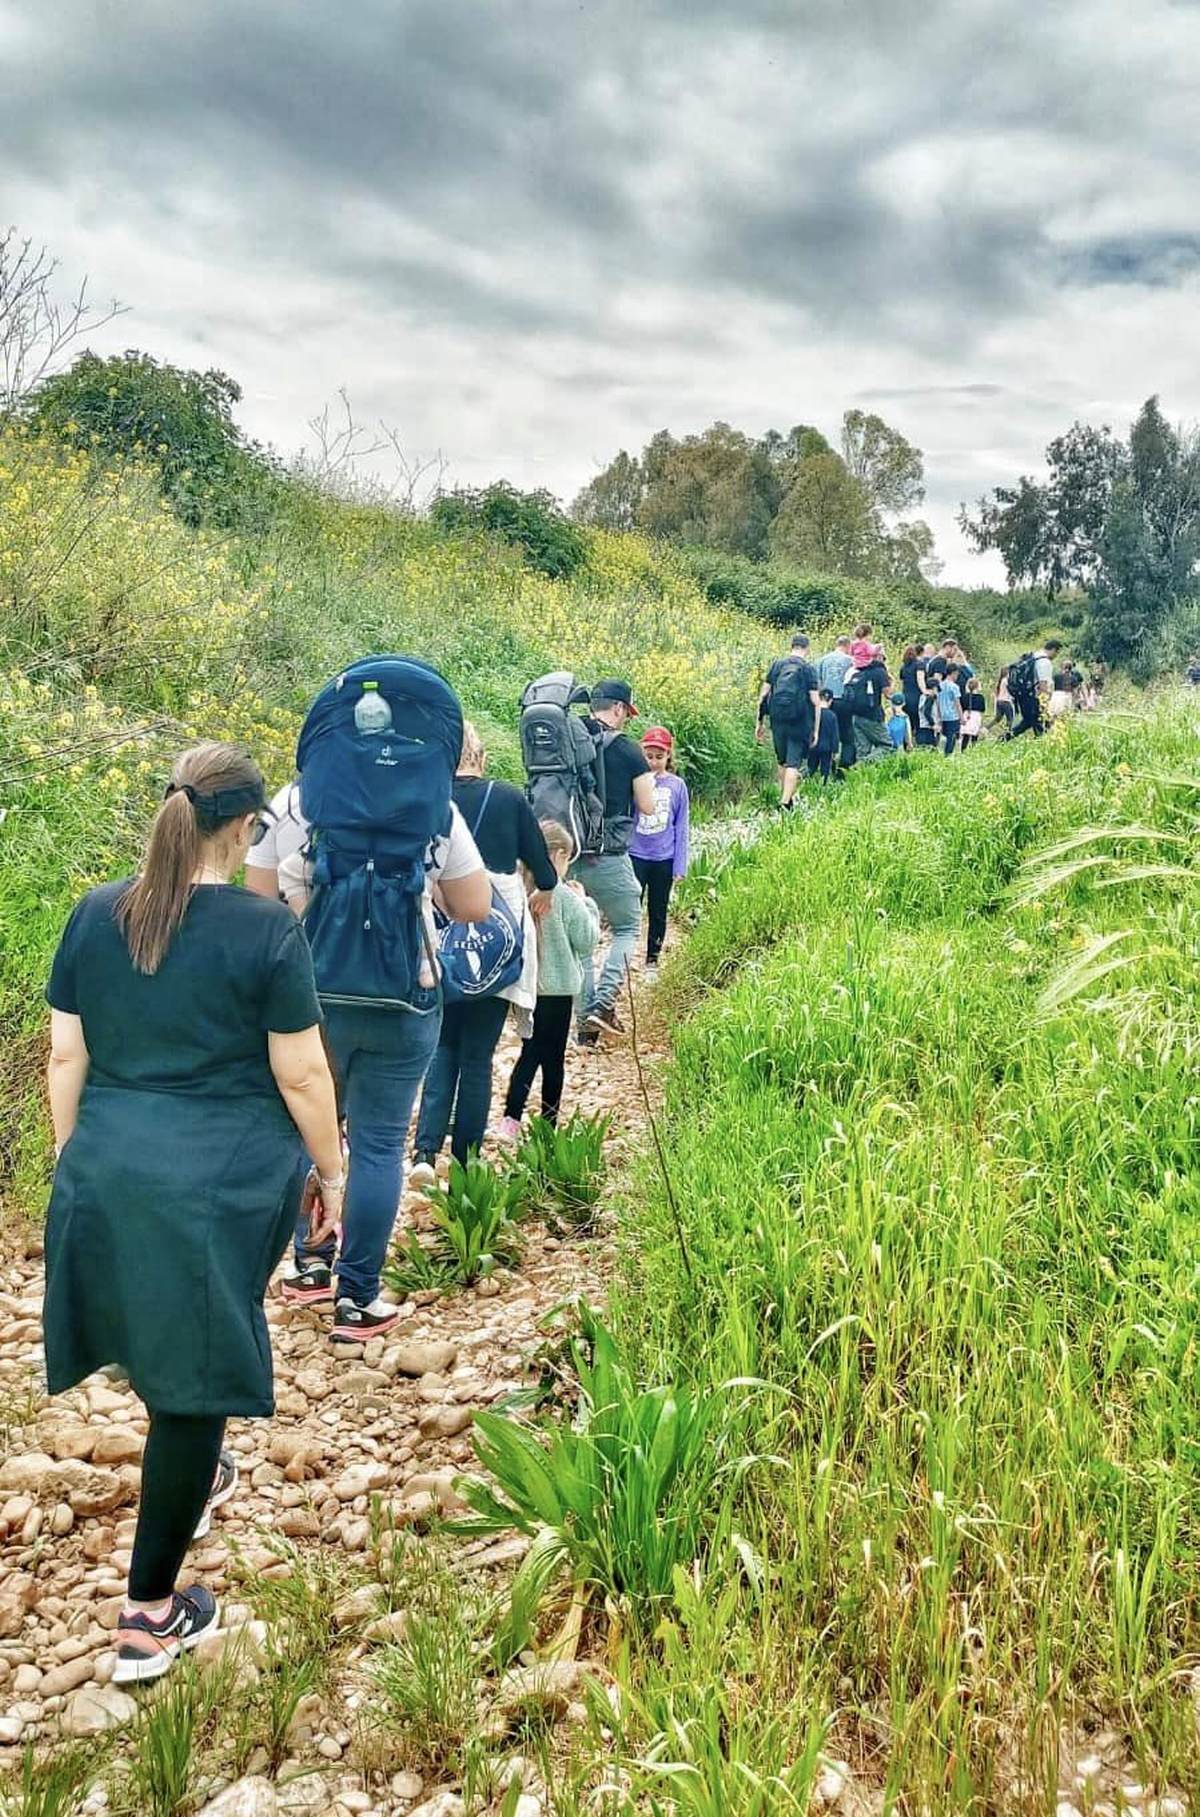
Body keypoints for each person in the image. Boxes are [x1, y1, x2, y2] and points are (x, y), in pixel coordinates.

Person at [43, 744, 343, 1683]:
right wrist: (332, 1172)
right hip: (222, 1178)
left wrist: (77, 1166)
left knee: (159, 1338)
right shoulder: (266, 928)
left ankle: (193, 1474)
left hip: (108, 1161)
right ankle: (148, 1616)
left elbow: (67, 1057)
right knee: (195, 1381)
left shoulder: (98, 912)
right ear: (248, 825)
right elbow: (301, 1072)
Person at [276, 732, 491, 1338]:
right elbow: (475, 905)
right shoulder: (435, 809)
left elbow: (270, 891)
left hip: (318, 1001)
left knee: (312, 1127)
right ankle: (357, 1297)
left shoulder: (307, 803)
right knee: (378, 1146)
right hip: (403, 1001)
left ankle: (309, 1265)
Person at [411, 722, 555, 1174]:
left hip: (440, 943)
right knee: (478, 1056)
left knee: (442, 1046)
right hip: (494, 946)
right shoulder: (509, 799)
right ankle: (466, 1162)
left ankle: (424, 1152)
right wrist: (544, 892)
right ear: (482, 756)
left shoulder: (428, 803)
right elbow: (545, 871)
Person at [498, 820, 600, 1140]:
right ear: (558, 856)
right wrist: (587, 903)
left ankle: (510, 1120)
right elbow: (587, 940)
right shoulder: (564, 896)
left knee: (530, 1053)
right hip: (557, 991)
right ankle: (548, 1125)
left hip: (526, 988)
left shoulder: (519, 888)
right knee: (553, 1060)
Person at [571, 679, 656, 1043]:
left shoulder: (569, 736)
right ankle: (603, 1004)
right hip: (607, 854)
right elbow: (647, 806)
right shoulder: (628, 749)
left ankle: (584, 1026)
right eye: (627, 713)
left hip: (566, 853)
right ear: (619, 708)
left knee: (580, 940)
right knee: (627, 926)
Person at [628, 726, 690, 976]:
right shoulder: (635, 781)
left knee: (658, 910)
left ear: (668, 756)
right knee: (631, 908)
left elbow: (682, 826)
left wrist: (680, 865)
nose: (653, 762)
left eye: (659, 756)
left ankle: (652, 959)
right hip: (636, 854)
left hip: (664, 857)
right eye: (649, 756)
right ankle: (626, 956)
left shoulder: (677, 786)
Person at [757, 633, 820, 809]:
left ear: (791, 646)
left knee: (782, 761)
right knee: (793, 763)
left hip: (777, 719)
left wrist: (759, 722)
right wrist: (816, 729)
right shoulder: (808, 669)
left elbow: (763, 696)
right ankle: (785, 803)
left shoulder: (777, 665)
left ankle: (785, 796)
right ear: (806, 649)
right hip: (799, 721)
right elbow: (815, 701)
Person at [847, 647, 896, 762]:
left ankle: (860, 770)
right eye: (884, 658)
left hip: (856, 716)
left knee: (863, 750)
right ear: (879, 657)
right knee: (887, 746)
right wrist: (892, 682)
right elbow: (888, 694)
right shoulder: (880, 671)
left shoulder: (858, 671)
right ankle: (862, 765)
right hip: (872, 716)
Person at [817, 634, 856, 770]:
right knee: (847, 736)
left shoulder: (823, 660)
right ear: (848, 646)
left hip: (826, 702)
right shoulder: (850, 661)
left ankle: (828, 765)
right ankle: (844, 767)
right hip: (844, 701)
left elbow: (818, 683)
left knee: (827, 734)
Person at [1010, 640, 1060, 738]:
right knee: (1039, 722)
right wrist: (1044, 703)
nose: (1056, 656)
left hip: (1025, 694)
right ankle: (1042, 743)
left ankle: (1004, 738)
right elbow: (1043, 684)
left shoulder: (1035, 656)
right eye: (1057, 653)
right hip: (1034, 697)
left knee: (1028, 722)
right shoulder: (1044, 662)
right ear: (1054, 649)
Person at [806, 689, 841, 780]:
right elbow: (835, 735)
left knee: (811, 768)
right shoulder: (832, 716)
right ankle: (823, 785)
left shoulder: (813, 714)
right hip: (827, 748)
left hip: (813, 746)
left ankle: (807, 782)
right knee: (825, 771)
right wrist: (835, 750)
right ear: (830, 701)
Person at [898, 645, 926, 739]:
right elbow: (920, 680)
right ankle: (918, 741)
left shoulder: (903, 667)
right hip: (916, 697)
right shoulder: (919, 665)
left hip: (905, 697)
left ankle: (907, 742)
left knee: (908, 723)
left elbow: (902, 681)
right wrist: (925, 691)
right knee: (918, 722)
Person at [937, 665, 963, 755]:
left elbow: (937, 702)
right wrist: (961, 717)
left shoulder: (940, 685)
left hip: (943, 716)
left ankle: (942, 754)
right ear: (954, 673)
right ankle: (948, 755)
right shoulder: (954, 687)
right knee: (952, 738)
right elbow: (957, 703)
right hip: (953, 716)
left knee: (944, 737)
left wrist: (939, 716)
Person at [960, 677, 986, 749]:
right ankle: (973, 750)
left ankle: (963, 750)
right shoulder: (981, 697)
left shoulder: (964, 696)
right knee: (975, 735)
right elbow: (983, 709)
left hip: (966, 715)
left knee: (966, 736)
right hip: (976, 716)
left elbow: (962, 707)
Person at [992, 666, 1015, 737]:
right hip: (1006, 701)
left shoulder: (1001, 681)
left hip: (999, 701)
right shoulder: (1006, 680)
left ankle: (985, 729)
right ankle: (1007, 734)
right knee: (1010, 719)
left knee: (997, 719)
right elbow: (1011, 690)